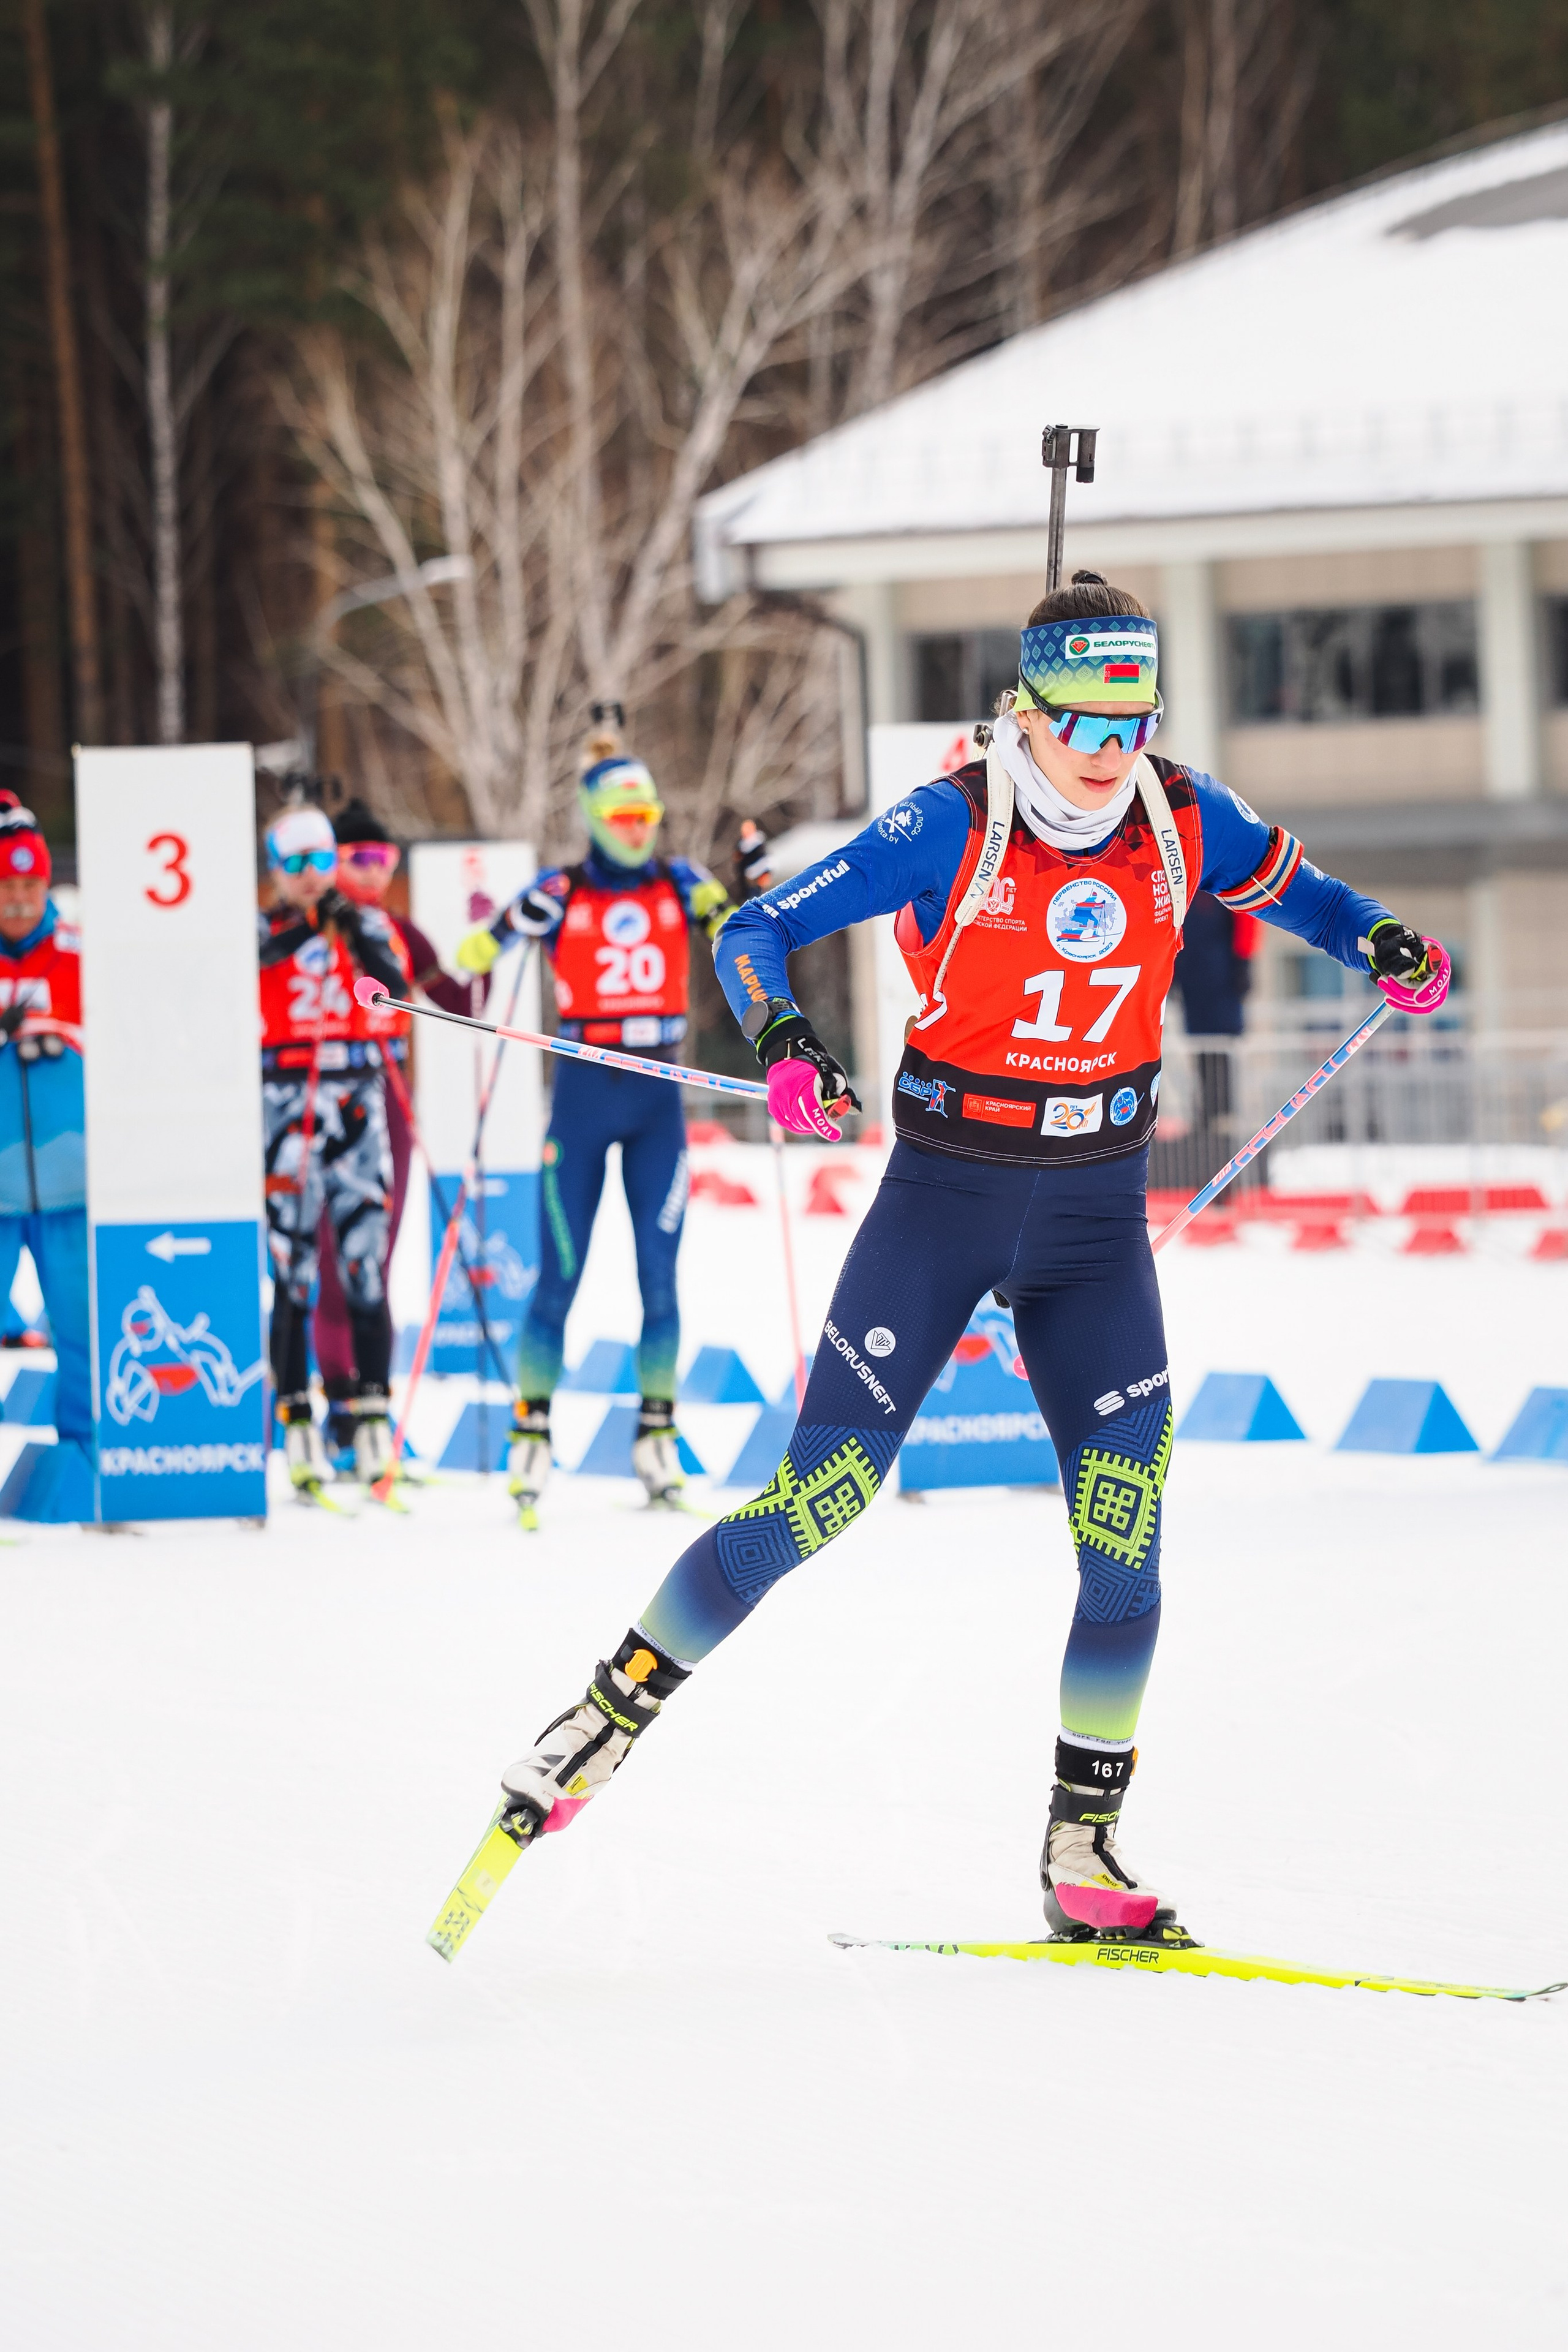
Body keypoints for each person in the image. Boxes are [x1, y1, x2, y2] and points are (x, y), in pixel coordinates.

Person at [475, 575, 1450, 1942]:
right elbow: (750, 932)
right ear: (1026, 709)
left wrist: (1383, 944)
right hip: (946, 1196)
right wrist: (787, 1046)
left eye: (1133, 717)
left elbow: (1316, 901)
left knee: (1125, 1550)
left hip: (1095, 1217)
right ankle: (604, 1714)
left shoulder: (1181, 815)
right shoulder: (949, 821)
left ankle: (1083, 1848)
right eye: (1082, 723)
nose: (1109, 750)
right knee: (821, 1499)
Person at [455, 714, 769, 1520]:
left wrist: (757, 889)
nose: (638, 833)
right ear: (597, 820)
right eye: (624, 820)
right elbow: (471, 960)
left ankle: (654, 1440)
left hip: (656, 1099)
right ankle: (532, 1438)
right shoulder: (562, 890)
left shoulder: (681, 882)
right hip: (585, 1100)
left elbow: (745, 933)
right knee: (558, 1278)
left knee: (659, 1280)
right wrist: (496, 935)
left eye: (648, 818)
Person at [312, 798, 483, 1465]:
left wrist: (485, 938)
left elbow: (461, 1004)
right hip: (317, 1099)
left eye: (383, 860)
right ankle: (336, 1408)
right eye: (358, 859)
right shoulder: (310, 924)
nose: (373, 873)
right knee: (325, 1261)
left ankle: (370, 1416)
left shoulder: (399, 932)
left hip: (386, 1105)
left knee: (370, 1261)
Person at [257, 799, 407, 1496]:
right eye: (297, 864)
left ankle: (372, 1418)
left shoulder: (366, 922)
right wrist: (300, 934)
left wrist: (354, 937)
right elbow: (246, 971)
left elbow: (397, 991)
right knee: (291, 1267)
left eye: (323, 861)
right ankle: (295, 1419)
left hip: (355, 1100)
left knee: (363, 1265)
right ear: (276, 870)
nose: (313, 876)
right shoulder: (260, 928)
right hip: (286, 1103)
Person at [0, 795, 90, 1457]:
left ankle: (86, 1457)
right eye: (7, 886)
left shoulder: (79, 951)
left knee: (80, 1329)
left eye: (31, 885)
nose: (21, 900)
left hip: (71, 1186)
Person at [1166, 889, 1259, 1189]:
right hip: (1192, 972)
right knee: (1201, 1049)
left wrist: (1244, 960)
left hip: (1221, 973)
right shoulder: (1183, 883)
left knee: (1222, 1050)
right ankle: (1206, 1116)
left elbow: (1247, 916)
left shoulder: (1224, 881)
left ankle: (1221, 1117)